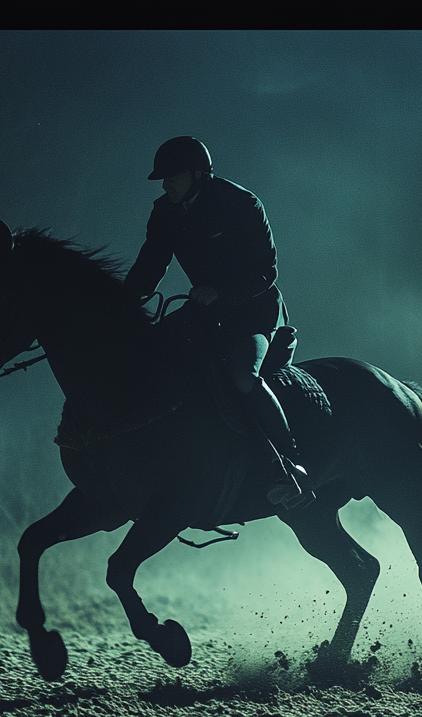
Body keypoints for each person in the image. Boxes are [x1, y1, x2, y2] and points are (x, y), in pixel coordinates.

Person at [123, 136, 311, 507]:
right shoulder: (165, 211)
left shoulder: (241, 203)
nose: (166, 185)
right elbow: (149, 266)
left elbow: (264, 272)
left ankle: (289, 467)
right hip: (207, 313)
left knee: (242, 375)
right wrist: (119, 304)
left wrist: (220, 292)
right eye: (163, 179)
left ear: (197, 173)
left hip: (254, 314)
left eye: (172, 176)